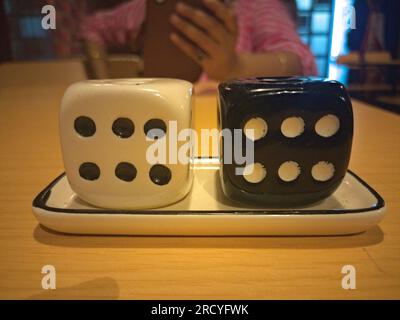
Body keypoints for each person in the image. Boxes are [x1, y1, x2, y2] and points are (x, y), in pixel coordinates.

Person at [81, 0, 317, 82]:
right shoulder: (152, 9)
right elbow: (92, 27)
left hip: (227, 127)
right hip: (157, 118)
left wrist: (236, 67)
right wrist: (104, 81)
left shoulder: (256, 6)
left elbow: (300, 63)